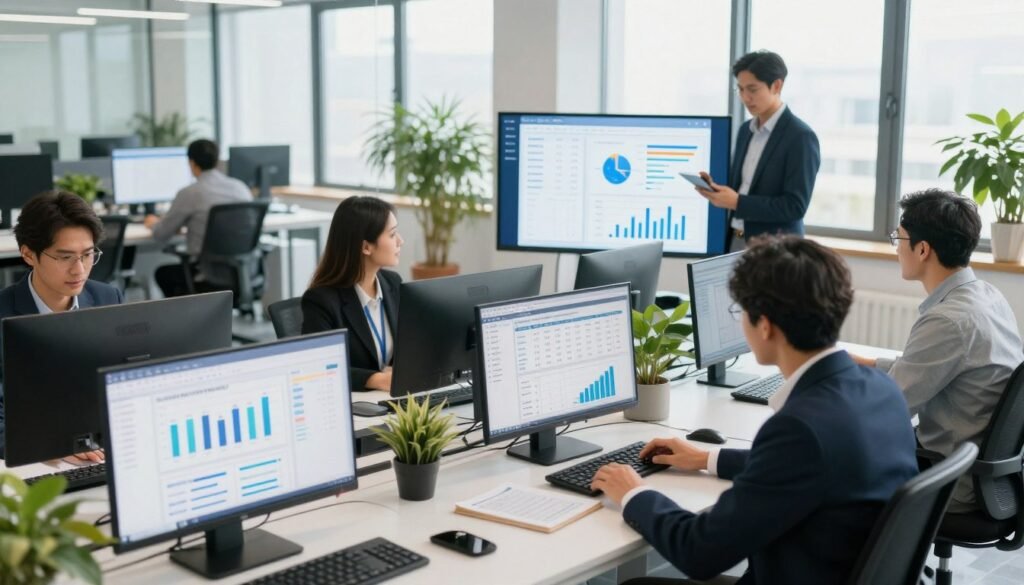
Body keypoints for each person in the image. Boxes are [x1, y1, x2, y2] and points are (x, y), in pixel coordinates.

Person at [592, 236, 918, 585]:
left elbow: (700, 552)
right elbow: (815, 466)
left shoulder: (799, 429)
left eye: (741, 312)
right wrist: (707, 459)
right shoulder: (881, 388)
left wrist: (633, 493)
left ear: (764, 325)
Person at [850, 189, 1023, 513]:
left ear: (923, 249)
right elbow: (937, 370)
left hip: (950, 478)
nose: (896, 248)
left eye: (898, 239)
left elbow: (890, 409)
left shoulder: (948, 321)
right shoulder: (986, 295)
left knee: (828, 466)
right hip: (983, 471)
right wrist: (872, 364)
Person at [0, 190, 124, 462]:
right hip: (33, 459)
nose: (79, 270)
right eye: (65, 257)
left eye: (88, 255)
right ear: (29, 254)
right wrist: (53, 446)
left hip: (100, 449)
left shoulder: (107, 298)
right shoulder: (4, 313)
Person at [694, 50, 821, 251]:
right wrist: (716, 189)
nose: (745, 97)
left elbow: (795, 206)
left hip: (775, 250)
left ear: (777, 86)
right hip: (735, 239)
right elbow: (744, 187)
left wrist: (738, 202)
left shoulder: (800, 137)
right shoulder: (746, 130)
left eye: (752, 89)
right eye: (741, 89)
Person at [301, 196, 403, 392]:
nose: (400, 241)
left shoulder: (393, 284)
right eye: (392, 235)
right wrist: (376, 379)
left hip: (392, 400)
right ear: (366, 247)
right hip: (354, 405)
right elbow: (319, 367)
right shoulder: (321, 301)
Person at [145, 138, 252, 297]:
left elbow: (161, 234)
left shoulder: (190, 193)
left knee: (163, 274)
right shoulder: (240, 187)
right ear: (217, 161)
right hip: (242, 273)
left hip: (206, 276)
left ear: (192, 163)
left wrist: (153, 223)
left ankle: (189, 319)